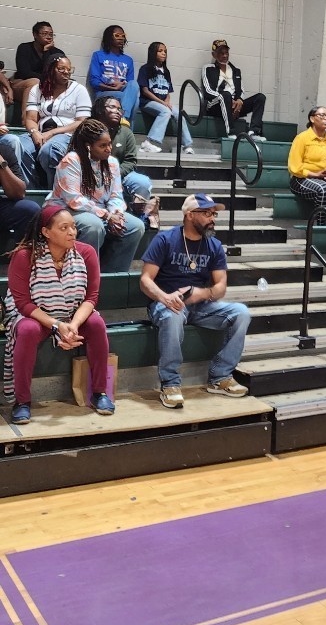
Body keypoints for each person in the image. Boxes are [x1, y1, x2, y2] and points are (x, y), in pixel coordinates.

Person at [2, 202, 115, 424]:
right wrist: (56, 325)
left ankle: (100, 393)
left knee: (96, 324)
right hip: (33, 313)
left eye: (73, 226)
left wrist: (72, 325)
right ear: (46, 232)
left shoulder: (87, 252)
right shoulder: (25, 256)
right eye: (64, 228)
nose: (72, 232)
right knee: (26, 330)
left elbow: (91, 297)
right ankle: (22, 401)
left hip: (72, 312)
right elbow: (23, 303)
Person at [140, 193, 251, 408]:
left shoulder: (214, 245)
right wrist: (165, 297)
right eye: (207, 213)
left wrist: (203, 294)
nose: (213, 218)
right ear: (190, 215)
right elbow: (145, 279)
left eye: (214, 214)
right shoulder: (165, 239)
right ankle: (170, 383)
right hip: (167, 304)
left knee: (241, 313)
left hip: (201, 306)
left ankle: (220, 376)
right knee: (172, 316)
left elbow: (220, 287)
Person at [50, 119, 145, 272]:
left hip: (101, 212)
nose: (109, 149)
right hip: (67, 211)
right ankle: (85, 276)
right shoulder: (71, 161)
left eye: (110, 144)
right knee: (93, 226)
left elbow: (116, 195)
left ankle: (112, 275)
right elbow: (74, 200)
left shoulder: (112, 162)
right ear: (88, 146)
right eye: (103, 146)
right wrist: (107, 216)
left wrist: (117, 213)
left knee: (135, 226)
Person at [0, 54, 91, 187]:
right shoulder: (37, 90)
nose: (66, 72)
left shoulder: (79, 90)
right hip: (41, 131)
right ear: (50, 69)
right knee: (20, 146)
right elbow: (30, 118)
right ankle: (31, 191)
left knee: (49, 150)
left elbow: (82, 122)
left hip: (67, 134)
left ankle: (53, 192)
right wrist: (34, 132)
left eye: (69, 69)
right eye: (61, 69)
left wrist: (52, 133)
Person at [91, 97, 159, 229]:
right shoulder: (88, 130)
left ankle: (140, 218)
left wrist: (114, 174)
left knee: (142, 181)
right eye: (112, 107)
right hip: (92, 173)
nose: (117, 111)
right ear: (100, 110)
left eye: (119, 109)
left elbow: (130, 161)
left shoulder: (126, 132)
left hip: (119, 174)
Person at [201, 39, 266, 141]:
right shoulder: (208, 68)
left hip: (234, 107)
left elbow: (241, 90)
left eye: (226, 52)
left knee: (260, 97)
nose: (225, 55)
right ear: (214, 55)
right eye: (221, 53)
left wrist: (239, 100)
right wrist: (227, 99)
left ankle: (254, 131)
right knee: (226, 95)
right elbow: (208, 90)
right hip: (215, 105)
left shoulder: (235, 70)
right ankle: (230, 132)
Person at [137, 41, 194, 154]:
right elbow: (145, 90)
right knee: (165, 112)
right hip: (148, 102)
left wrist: (167, 102)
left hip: (163, 103)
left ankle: (187, 145)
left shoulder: (166, 71)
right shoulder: (145, 69)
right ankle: (149, 143)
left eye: (165, 51)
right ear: (153, 53)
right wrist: (162, 103)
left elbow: (168, 91)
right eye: (160, 51)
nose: (164, 53)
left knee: (179, 113)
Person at [9, 21, 63, 121]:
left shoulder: (57, 52)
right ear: (35, 34)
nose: (49, 37)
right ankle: (27, 122)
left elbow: (57, 74)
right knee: (34, 82)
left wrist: (46, 52)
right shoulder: (24, 48)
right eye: (44, 33)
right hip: (22, 83)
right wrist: (45, 79)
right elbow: (24, 73)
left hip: (47, 86)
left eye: (51, 34)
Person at [88, 24, 139, 122]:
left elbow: (131, 84)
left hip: (123, 91)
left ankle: (123, 119)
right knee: (135, 101)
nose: (121, 39)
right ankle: (125, 122)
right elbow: (94, 81)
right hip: (103, 93)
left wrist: (121, 85)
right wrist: (113, 88)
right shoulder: (98, 55)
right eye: (117, 35)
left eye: (123, 36)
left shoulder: (128, 60)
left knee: (134, 85)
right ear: (109, 38)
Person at [0, 140, 40, 252]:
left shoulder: (4, 150)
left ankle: (22, 260)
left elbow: (18, 193)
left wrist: (2, 164)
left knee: (29, 209)